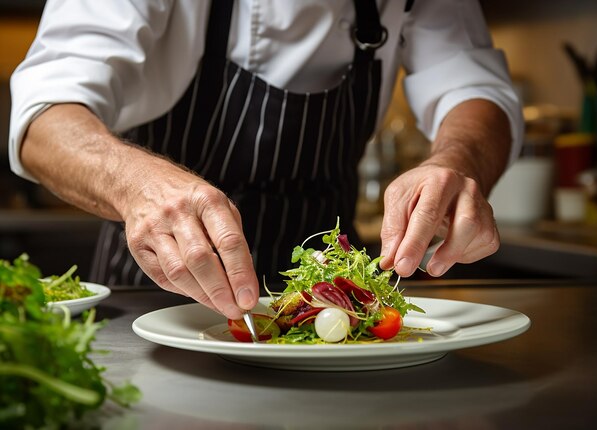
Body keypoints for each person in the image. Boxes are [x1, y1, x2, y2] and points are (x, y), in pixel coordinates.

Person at [8, 0, 523, 320]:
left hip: (338, 305)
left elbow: (472, 84)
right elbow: (44, 119)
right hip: (158, 295)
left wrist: (457, 160)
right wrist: (138, 185)